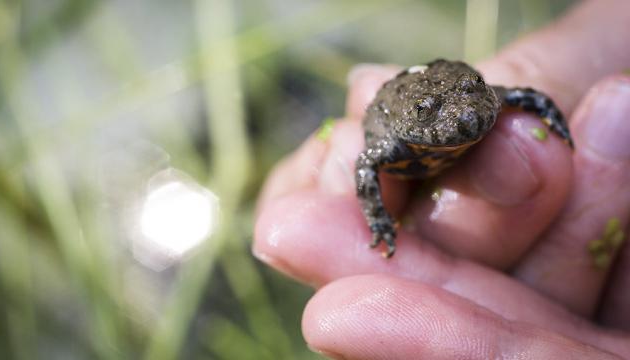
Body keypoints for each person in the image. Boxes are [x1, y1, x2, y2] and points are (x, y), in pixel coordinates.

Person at [254, 0, 630, 357]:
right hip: (413, 157)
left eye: (472, 96)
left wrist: (556, 115)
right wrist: (380, 221)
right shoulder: (393, 140)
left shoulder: (482, 100)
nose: (463, 118)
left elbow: (528, 96)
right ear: (412, 117)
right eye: (428, 113)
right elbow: (366, 164)